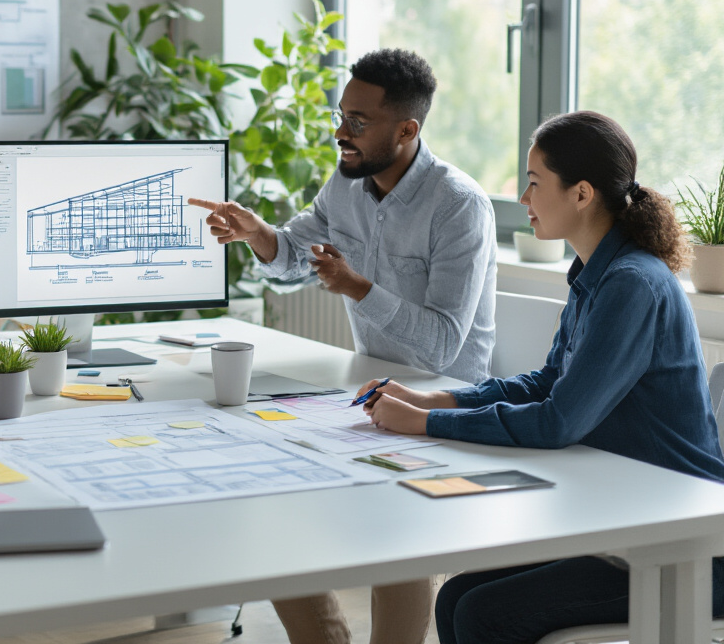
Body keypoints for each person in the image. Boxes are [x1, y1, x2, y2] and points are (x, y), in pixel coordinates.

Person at [357, 110, 724, 643]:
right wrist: (435, 398)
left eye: (533, 184)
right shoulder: (593, 276)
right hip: (622, 524)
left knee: (487, 613)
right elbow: (546, 382)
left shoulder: (631, 286)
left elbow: (558, 421)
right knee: (459, 596)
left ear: (581, 193)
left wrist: (424, 425)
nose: (524, 200)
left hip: (684, 550)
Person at [191, 48, 497, 644]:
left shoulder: (459, 206)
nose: (340, 133)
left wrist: (358, 287)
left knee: (396, 535)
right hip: (364, 391)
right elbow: (293, 258)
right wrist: (259, 235)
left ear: (407, 130)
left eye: (359, 122)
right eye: (342, 116)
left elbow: (438, 349)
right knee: (267, 492)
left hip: (444, 404)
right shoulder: (347, 185)